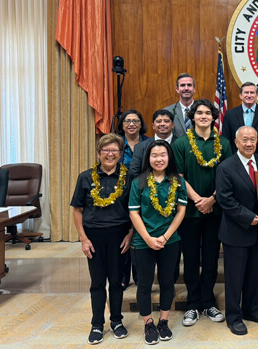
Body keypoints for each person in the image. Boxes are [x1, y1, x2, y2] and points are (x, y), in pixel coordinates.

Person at [172, 99, 232, 327]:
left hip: (215, 211)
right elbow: (178, 176)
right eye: (199, 113)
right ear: (192, 116)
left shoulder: (224, 143)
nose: (204, 116)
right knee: (190, 261)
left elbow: (227, 176)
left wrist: (212, 199)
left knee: (210, 260)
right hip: (189, 214)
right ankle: (192, 305)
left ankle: (208, 302)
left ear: (214, 116)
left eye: (208, 113)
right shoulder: (181, 143)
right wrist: (198, 200)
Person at [71, 133, 133, 345]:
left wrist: (131, 233)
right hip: (94, 236)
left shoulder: (128, 178)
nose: (110, 154)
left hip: (119, 236)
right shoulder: (85, 177)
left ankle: (116, 320)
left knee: (116, 282)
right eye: (105, 150)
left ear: (120, 154)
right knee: (98, 282)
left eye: (115, 150)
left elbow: (135, 209)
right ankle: (97, 324)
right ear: (98, 153)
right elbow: (77, 209)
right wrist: (83, 238)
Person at [129, 140, 187, 344]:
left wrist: (165, 237)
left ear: (169, 157)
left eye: (163, 154)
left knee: (167, 282)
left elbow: (181, 211)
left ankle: (163, 320)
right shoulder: (139, 182)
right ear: (148, 158)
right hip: (143, 241)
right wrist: (148, 238)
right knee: (144, 284)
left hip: (169, 240)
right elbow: (134, 213)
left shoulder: (178, 182)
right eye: (154, 155)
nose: (159, 159)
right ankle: (148, 323)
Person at [216, 126, 258, 336]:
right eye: (245, 140)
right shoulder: (226, 167)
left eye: (253, 140)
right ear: (236, 143)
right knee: (234, 278)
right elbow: (225, 199)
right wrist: (248, 217)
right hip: (236, 231)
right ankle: (234, 316)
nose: (249, 144)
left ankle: (251, 310)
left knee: (253, 275)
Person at [221, 81, 258, 265]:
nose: (249, 95)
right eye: (246, 93)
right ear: (241, 95)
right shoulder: (230, 114)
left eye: (253, 92)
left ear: (257, 95)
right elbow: (227, 141)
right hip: (238, 166)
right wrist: (232, 164)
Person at [116, 109, 150, 289]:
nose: (131, 124)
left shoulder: (149, 142)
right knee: (123, 234)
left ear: (141, 124)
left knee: (138, 235)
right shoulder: (115, 143)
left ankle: (139, 276)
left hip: (142, 192)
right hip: (120, 194)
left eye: (135, 121)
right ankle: (122, 276)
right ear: (122, 124)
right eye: (127, 121)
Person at [129, 109, 176, 180]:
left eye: (166, 121)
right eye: (158, 121)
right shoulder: (140, 147)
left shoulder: (181, 144)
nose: (162, 124)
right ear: (153, 125)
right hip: (147, 188)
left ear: (172, 125)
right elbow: (134, 173)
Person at [164, 73, 196, 139]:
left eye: (189, 85)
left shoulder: (202, 111)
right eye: (182, 85)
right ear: (177, 90)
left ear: (194, 89)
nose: (186, 88)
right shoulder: (167, 111)